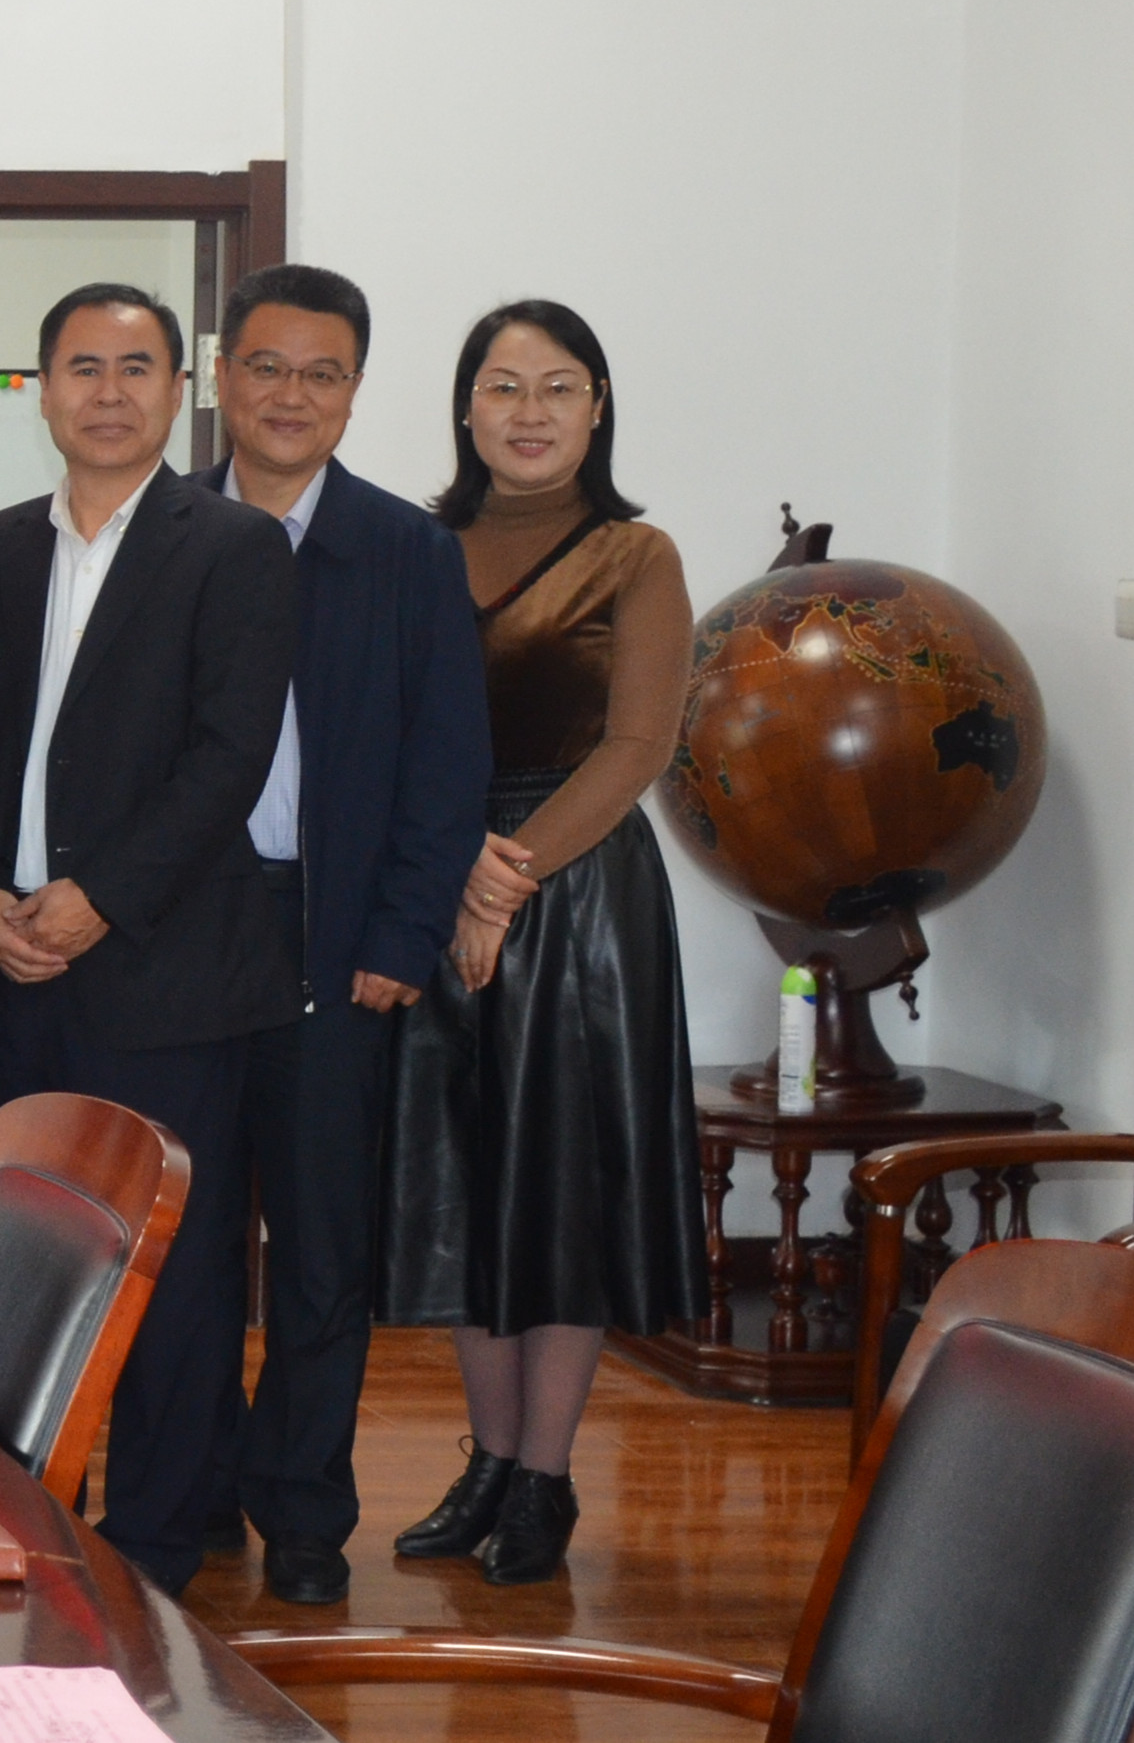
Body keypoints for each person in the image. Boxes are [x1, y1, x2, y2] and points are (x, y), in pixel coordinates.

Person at [0, 281, 298, 1596]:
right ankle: (27, 1522)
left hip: (165, 974)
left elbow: (227, 756)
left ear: (178, 390)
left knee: (172, 1276)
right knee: (23, 1266)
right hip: (9, 968)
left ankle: (150, 1554)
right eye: (82, 367)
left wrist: (98, 894)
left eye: (135, 367)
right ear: (41, 388)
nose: (108, 392)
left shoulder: (233, 547)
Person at [377, 299, 704, 1588]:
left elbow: (637, 746)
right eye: (504, 387)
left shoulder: (635, 554)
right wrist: (451, 870)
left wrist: (499, 880)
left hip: (576, 900)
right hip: (435, 871)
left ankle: (545, 1479)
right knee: (464, 1186)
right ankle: (489, 1463)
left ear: (597, 407)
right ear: (465, 408)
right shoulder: (412, 546)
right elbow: (378, 727)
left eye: (558, 387)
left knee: (559, 1195)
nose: (529, 412)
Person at [193, 265, 492, 1606]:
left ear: (355, 391)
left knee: (320, 1251)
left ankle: (304, 1511)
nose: (289, 395)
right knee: (190, 1239)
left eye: (321, 373)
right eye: (265, 366)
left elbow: (446, 764)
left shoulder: (406, 551)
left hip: (335, 941)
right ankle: (194, 1484)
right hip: (181, 942)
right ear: (222, 376)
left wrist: (402, 933)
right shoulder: (164, 530)